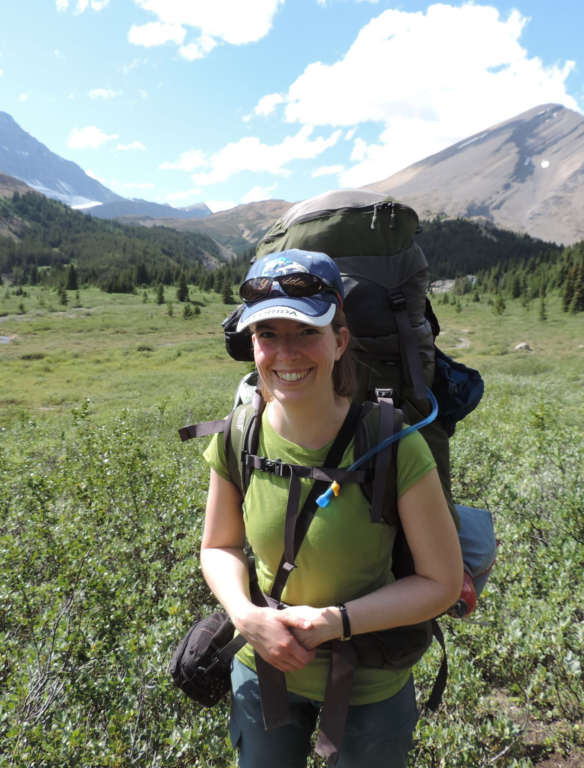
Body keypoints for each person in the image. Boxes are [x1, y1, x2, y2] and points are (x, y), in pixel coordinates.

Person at [199, 250, 463, 768]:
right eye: (268, 335)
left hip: (371, 678)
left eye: (306, 333)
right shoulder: (238, 436)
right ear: (251, 345)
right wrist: (245, 616)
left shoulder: (395, 444)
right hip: (263, 667)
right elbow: (219, 545)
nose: (286, 354)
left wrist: (333, 622)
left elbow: (441, 583)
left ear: (340, 341)